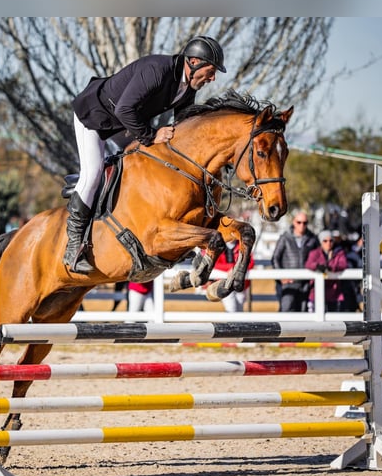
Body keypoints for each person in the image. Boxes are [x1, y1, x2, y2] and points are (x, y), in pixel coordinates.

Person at [64, 35, 227, 274]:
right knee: (94, 172)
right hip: (95, 117)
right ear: (193, 62)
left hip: (125, 123)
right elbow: (123, 108)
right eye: (211, 71)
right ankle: (74, 245)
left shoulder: (187, 87)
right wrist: (151, 136)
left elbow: (184, 126)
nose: (212, 78)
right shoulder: (157, 70)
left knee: (153, 165)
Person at [271, 211, 319, 311]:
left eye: (305, 223)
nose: (302, 225)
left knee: (303, 314)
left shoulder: (312, 239)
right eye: (299, 222)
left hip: (306, 283)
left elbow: (318, 257)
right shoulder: (285, 238)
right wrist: (281, 277)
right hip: (288, 283)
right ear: (294, 222)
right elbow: (275, 258)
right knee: (287, 311)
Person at [304, 230, 348, 312]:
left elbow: (343, 264)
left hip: (334, 293)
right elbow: (308, 264)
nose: (328, 243)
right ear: (321, 242)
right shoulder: (314, 253)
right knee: (315, 320)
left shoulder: (339, 253)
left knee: (334, 321)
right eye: (325, 241)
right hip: (316, 292)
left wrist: (330, 267)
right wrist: (317, 266)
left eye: (331, 240)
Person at [213, 240, 254, 313]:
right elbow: (215, 264)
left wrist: (235, 269)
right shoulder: (219, 246)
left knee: (240, 309)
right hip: (225, 283)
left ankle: (237, 324)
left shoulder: (243, 246)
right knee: (231, 308)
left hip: (241, 283)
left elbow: (251, 262)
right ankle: (231, 324)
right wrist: (231, 268)